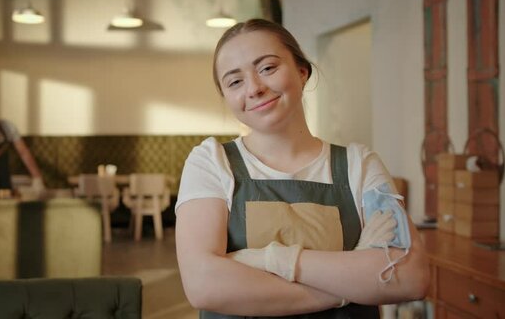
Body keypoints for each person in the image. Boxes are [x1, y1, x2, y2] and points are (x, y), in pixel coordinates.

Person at [175, 19, 429, 318]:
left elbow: (411, 276)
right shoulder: (210, 163)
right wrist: (352, 284)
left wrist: (271, 259)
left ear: (302, 71)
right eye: (234, 82)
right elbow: (204, 285)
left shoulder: (359, 166)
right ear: (227, 98)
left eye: (267, 68)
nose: (254, 88)